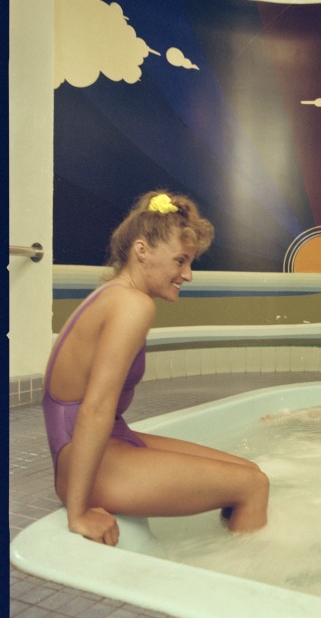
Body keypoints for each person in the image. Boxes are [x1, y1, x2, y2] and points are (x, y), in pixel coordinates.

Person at [43, 190, 269, 547]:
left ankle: (225, 556)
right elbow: (96, 407)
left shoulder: (112, 295)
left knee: (249, 471)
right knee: (253, 486)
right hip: (83, 457)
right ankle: (240, 578)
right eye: (180, 261)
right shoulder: (133, 305)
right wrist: (78, 511)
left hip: (98, 444)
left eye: (189, 263)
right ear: (142, 250)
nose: (188, 275)